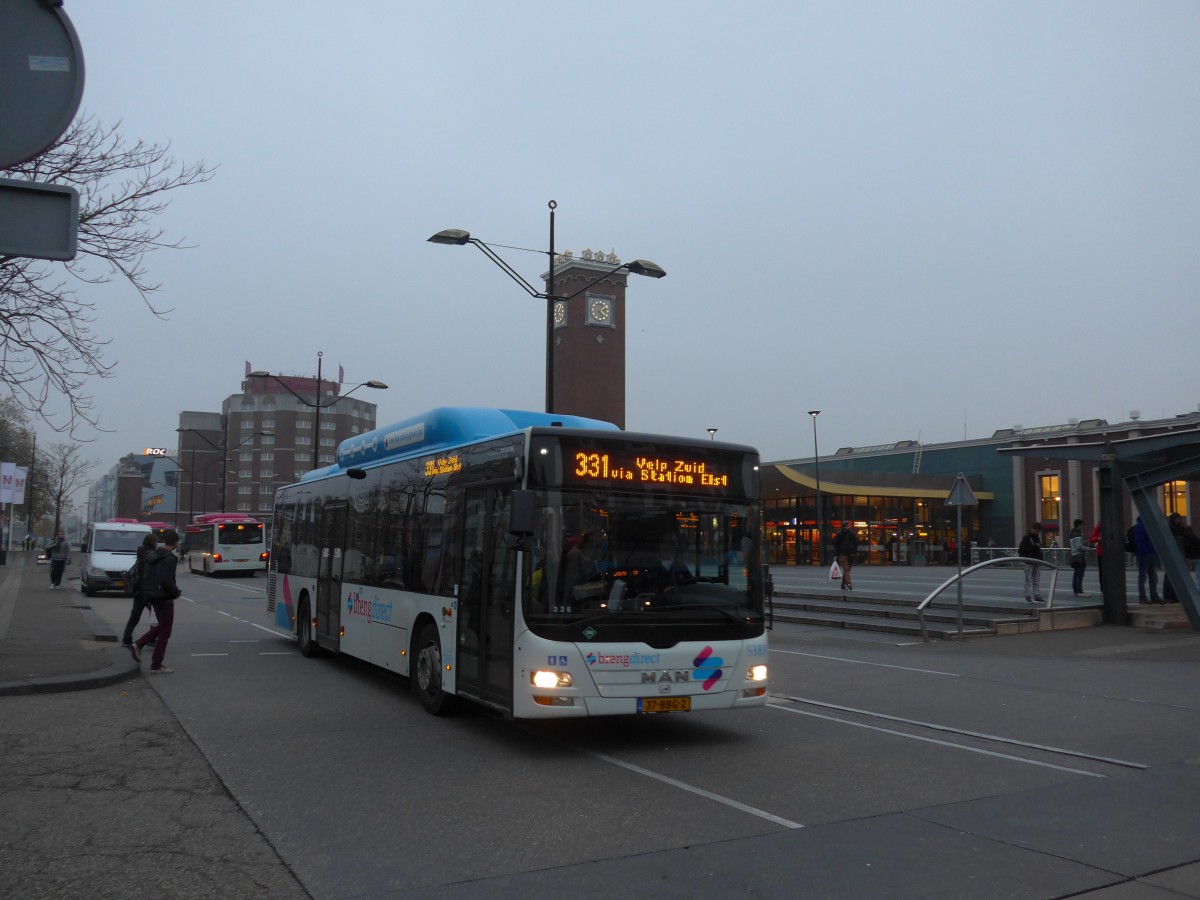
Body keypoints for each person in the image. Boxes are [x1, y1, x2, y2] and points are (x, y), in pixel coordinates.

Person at [131, 530, 183, 673]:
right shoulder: (170, 558)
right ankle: (155, 664)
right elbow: (166, 579)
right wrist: (176, 592)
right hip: (164, 597)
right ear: (175, 543)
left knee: (162, 627)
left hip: (152, 595)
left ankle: (139, 644)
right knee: (165, 632)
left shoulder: (153, 555)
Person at [121, 533, 159, 649]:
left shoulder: (141, 554)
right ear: (152, 542)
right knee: (155, 617)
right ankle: (150, 639)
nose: (157, 543)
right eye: (156, 541)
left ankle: (126, 639)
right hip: (148, 591)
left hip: (138, 591)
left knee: (135, 616)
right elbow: (150, 575)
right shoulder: (151, 556)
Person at [1132, 516, 1160, 605]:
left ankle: (1146, 596)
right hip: (1146, 553)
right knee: (1150, 576)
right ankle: (1149, 596)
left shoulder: (1139, 526)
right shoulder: (1143, 526)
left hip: (1145, 553)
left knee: (1147, 576)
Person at [1018, 523, 1044, 604]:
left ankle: (1036, 595)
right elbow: (1021, 550)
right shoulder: (1027, 538)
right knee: (1029, 579)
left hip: (1036, 560)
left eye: (1038, 531)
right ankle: (1028, 596)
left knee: (1036, 579)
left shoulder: (1036, 538)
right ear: (1032, 529)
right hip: (1030, 560)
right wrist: (1035, 547)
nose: (1037, 533)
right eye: (1036, 531)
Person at [832, 521, 858, 591]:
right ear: (843, 527)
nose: (848, 527)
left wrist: (855, 553)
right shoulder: (840, 535)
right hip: (842, 554)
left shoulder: (852, 534)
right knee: (846, 569)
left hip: (850, 554)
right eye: (847, 526)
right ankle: (849, 583)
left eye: (848, 526)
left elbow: (855, 544)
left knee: (847, 570)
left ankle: (843, 584)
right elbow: (836, 545)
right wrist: (835, 555)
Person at [1068, 519, 1088, 597]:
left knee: (1076, 574)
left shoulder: (1072, 534)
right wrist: (1087, 548)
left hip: (1073, 556)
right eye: (1082, 525)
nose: (1082, 527)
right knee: (1080, 574)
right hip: (1079, 557)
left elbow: (1076, 545)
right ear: (1078, 525)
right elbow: (1079, 547)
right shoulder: (1078, 535)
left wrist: (1083, 543)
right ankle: (1079, 590)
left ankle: (1075, 590)